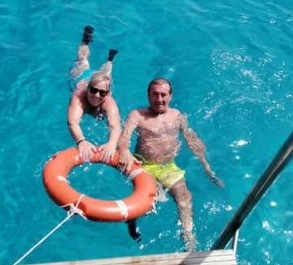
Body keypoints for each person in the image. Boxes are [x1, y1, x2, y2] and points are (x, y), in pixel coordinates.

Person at [118, 78, 224, 251]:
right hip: (144, 166)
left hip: (168, 166)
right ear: (148, 95)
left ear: (170, 96)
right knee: (147, 202)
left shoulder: (177, 116)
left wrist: (207, 168)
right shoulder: (137, 115)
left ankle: (188, 236)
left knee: (184, 196)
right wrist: (125, 152)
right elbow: (124, 139)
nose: (159, 99)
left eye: (163, 95)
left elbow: (192, 140)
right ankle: (131, 221)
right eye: (155, 94)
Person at [67, 26, 121, 163]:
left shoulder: (109, 102)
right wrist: (81, 141)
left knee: (107, 75)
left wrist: (111, 144)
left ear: (107, 94)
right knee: (81, 60)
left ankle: (110, 60)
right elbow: (72, 122)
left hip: (101, 79)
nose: (97, 96)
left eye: (102, 93)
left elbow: (115, 126)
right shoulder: (79, 95)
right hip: (82, 76)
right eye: (94, 90)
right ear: (89, 88)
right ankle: (85, 41)